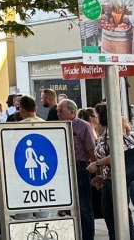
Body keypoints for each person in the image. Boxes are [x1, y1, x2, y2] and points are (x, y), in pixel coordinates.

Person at [86, 103, 134, 239]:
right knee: (110, 213)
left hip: (116, 180)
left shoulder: (111, 132)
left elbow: (117, 153)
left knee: (119, 214)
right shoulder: (107, 131)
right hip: (109, 179)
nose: (95, 117)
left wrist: (97, 164)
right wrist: (102, 176)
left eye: (96, 114)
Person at [57, 99, 96, 240]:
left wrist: (96, 170)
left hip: (80, 167)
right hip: (63, 168)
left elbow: (91, 150)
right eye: (58, 110)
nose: (58, 113)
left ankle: (87, 237)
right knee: (67, 205)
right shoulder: (58, 125)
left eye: (61, 111)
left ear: (72, 112)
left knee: (84, 206)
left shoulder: (83, 126)